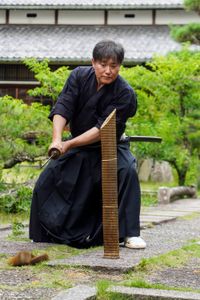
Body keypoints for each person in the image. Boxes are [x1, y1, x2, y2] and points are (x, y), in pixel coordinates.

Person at [29, 40, 146, 249]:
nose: (108, 71)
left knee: (127, 170)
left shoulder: (125, 93)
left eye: (114, 66)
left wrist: (69, 143)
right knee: (49, 176)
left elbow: (103, 129)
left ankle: (129, 233)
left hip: (111, 145)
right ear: (93, 62)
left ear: (120, 66)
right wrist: (57, 140)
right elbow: (63, 107)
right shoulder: (78, 76)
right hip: (77, 146)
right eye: (103, 65)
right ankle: (46, 232)